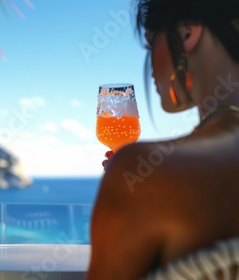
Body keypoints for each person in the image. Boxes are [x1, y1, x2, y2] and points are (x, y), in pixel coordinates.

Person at [87, 0, 239, 279]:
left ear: (188, 33)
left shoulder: (145, 174)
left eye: (149, 45)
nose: (150, 66)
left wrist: (128, 182)